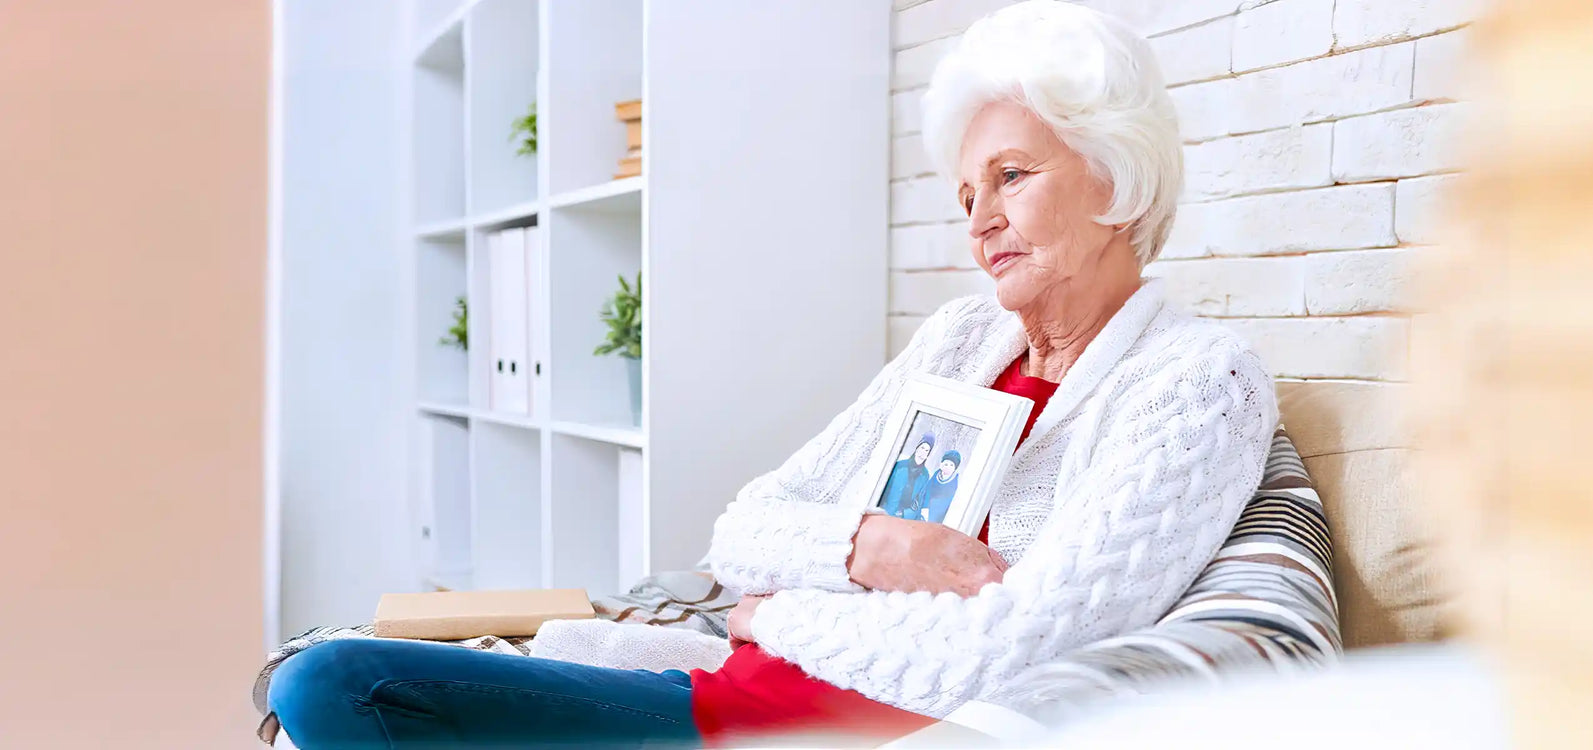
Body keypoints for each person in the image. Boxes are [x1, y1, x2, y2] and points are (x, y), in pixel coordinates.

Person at [265, 2, 1277, 747]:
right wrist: (876, 546)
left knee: (337, 694)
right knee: (323, 681)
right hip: (726, 687)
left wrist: (775, 614)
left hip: (791, 723)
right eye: (968, 191)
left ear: (1117, 172)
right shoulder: (964, 341)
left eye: (1013, 177)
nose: (978, 222)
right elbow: (745, 527)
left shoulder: (1196, 384)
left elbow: (1006, 652)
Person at [878, 435, 935, 519]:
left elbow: (919, 501)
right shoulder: (899, 466)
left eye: (926, 451)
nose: (923, 452)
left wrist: (905, 514)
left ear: (928, 455)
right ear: (916, 449)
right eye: (922, 448)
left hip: (903, 517)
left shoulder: (925, 475)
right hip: (886, 511)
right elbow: (885, 488)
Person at [923, 450, 962, 524]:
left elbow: (947, 502)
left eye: (951, 465)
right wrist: (925, 507)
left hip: (938, 516)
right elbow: (927, 491)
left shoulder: (954, 482)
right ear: (941, 465)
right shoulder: (936, 475)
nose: (948, 467)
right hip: (926, 509)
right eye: (946, 464)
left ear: (955, 468)